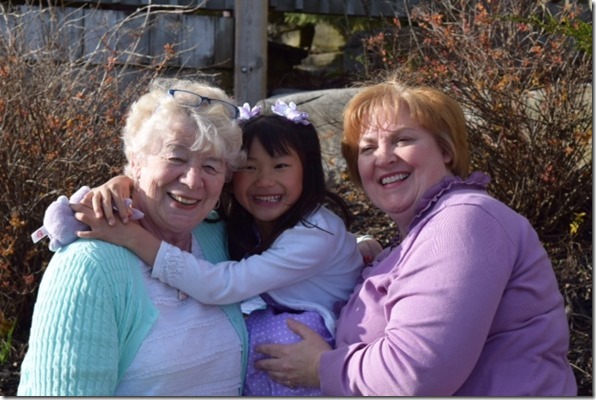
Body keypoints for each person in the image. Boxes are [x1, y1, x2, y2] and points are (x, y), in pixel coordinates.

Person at [253, 78, 578, 396]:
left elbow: (415, 374)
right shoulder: (419, 235)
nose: (383, 157)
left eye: (402, 140)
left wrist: (321, 368)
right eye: (368, 148)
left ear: (446, 150)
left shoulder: (464, 219)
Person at [68, 100, 376, 396]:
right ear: (231, 175)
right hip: (292, 326)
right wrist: (123, 185)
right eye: (249, 167)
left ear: (307, 171)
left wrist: (133, 237)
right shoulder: (238, 220)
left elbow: (222, 285)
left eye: (281, 166)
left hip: (322, 347)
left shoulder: (316, 233)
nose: (265, 181)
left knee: (272, 336)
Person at [17, 78, 249, 396]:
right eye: (176, 158)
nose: (193, 181)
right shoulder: (89, 266)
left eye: (211, 166)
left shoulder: (218, 237)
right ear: (137, 163)